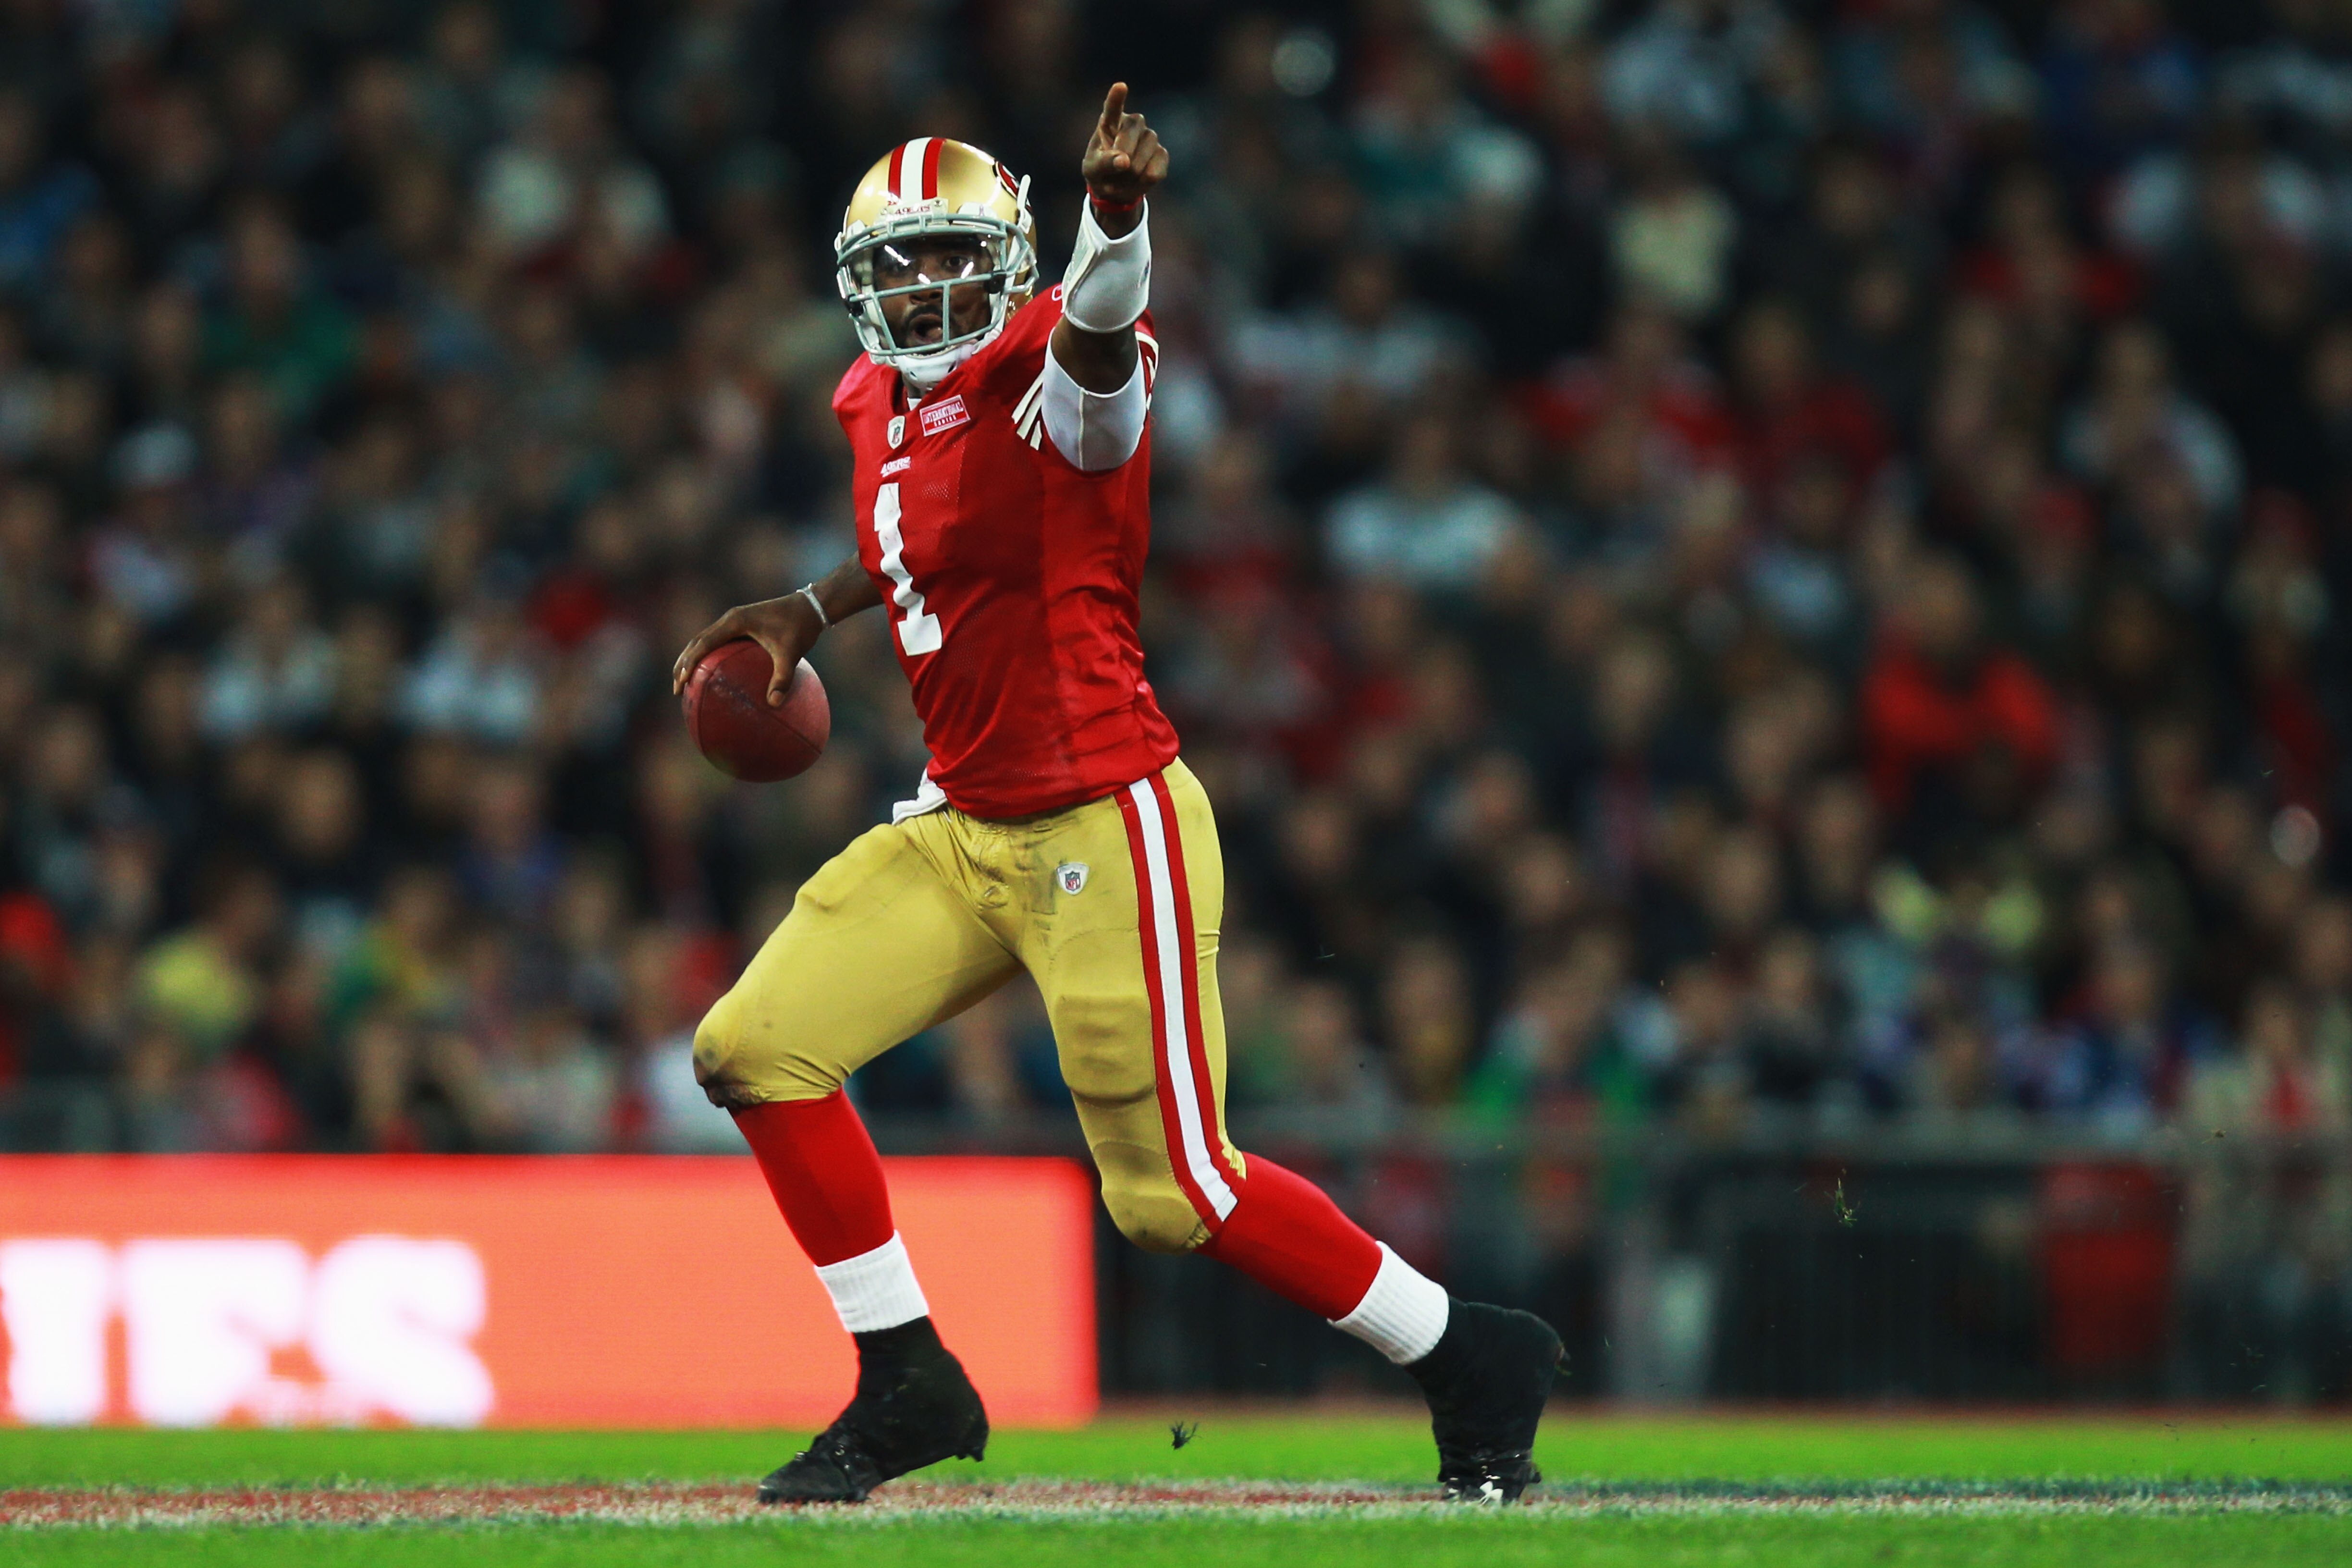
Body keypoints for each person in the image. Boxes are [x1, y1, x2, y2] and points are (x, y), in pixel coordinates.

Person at [672, 86, 1562, 1506]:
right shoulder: (867, 398)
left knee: (1175, 1194)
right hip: (964, 822)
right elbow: (933, 543)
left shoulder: (1062, 350)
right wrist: (809, 606)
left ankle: (1468, 1352)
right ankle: (903, 1376)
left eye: (948, 254)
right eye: (895, 263)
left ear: (1015, 258)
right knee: (750, 1048)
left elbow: (1093, 378)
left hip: (1103, 813)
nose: (922, 286)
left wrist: (1118, 222)